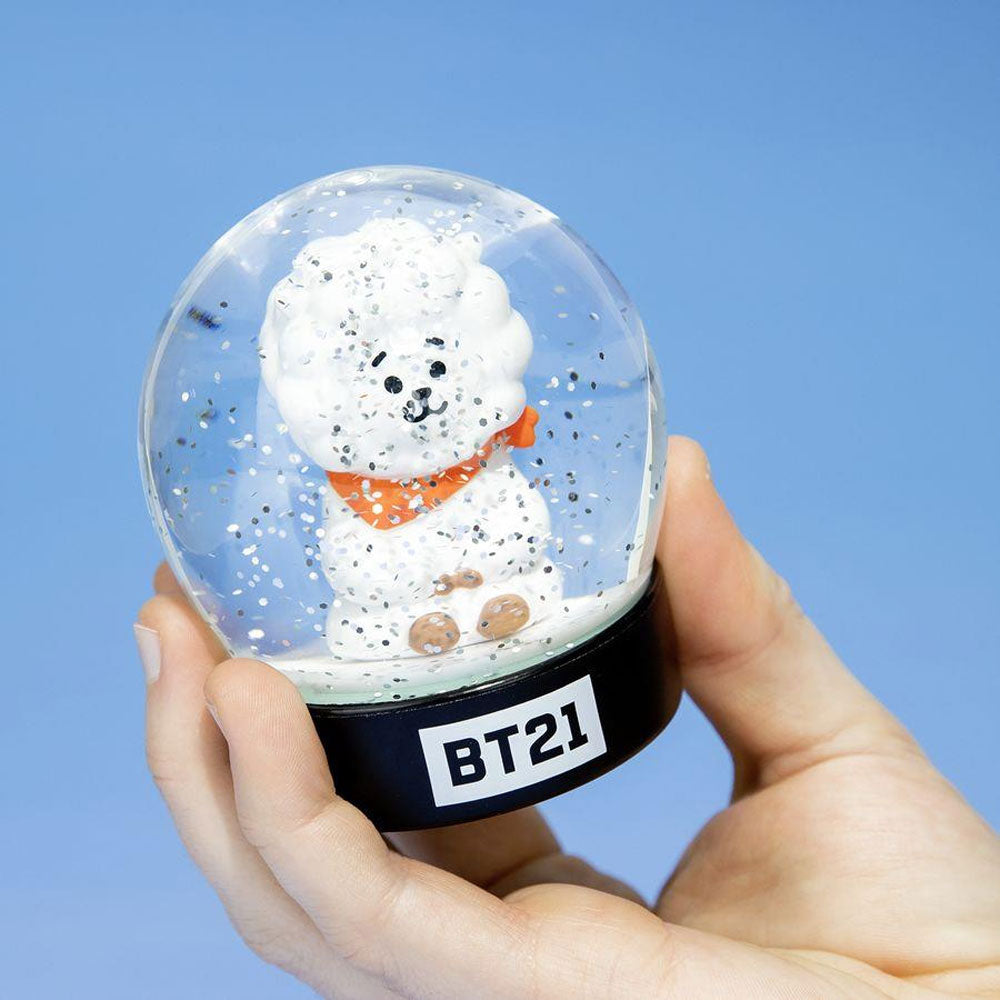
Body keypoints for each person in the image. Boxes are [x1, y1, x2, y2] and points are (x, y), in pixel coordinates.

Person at [134, 438, 1000, 999]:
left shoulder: (492, 473)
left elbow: (518, 523)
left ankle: (492, 611)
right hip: (383, 637)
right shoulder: (355, 504)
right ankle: (428, 627)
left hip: (530, 602)